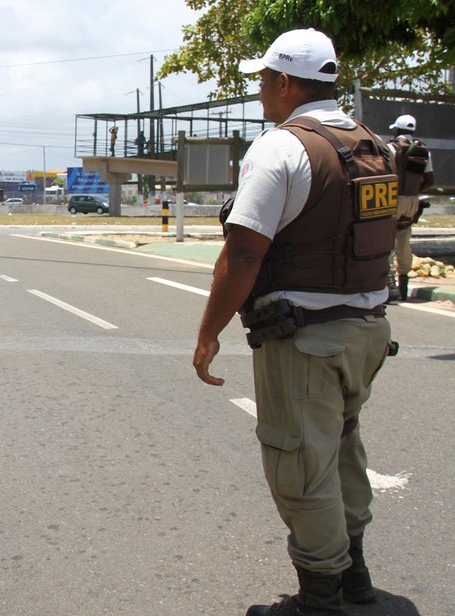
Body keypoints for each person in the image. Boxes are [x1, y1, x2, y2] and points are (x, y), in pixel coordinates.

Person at [192, 29, 395, 616]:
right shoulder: (369, 142)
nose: (259, 92)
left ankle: (320, 598)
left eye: (262, 81)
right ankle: (354, 576)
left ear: (284, 82)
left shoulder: (281, 148)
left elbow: (245, 252)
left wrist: (209, 332)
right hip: (367, 332)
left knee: (299, 463)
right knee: (342, 450)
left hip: (306, 340)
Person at [387, 114, 433, 301]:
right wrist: (413, 192)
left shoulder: (391, 148)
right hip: (412, 201)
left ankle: (390, 286)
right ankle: (404, 283)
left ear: (397, 130)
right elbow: (430, 180)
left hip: (393, 200)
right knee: (404, 240)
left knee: (388, 240)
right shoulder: (424, 151)